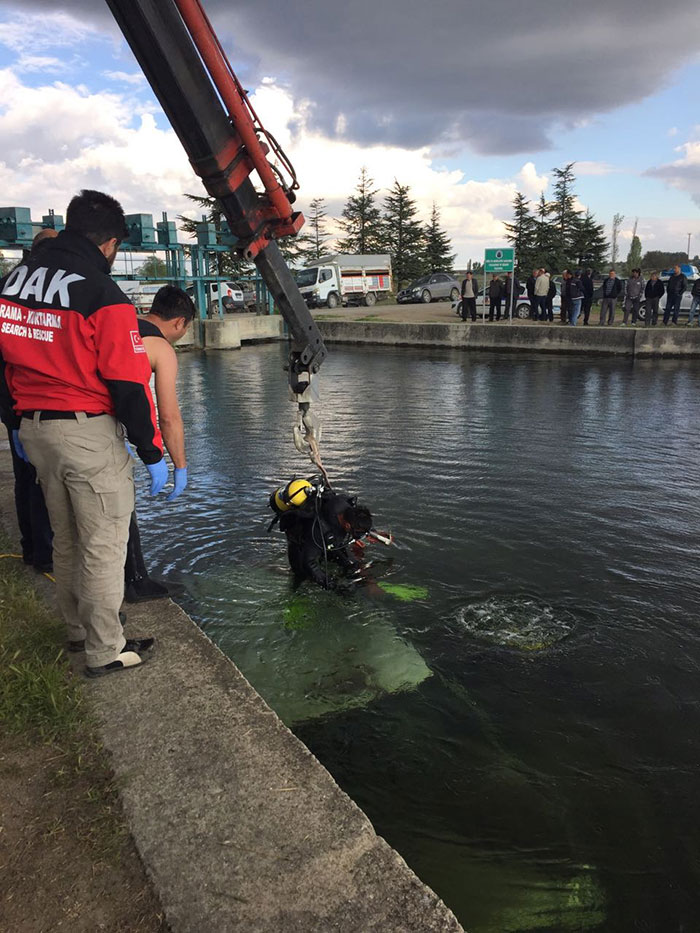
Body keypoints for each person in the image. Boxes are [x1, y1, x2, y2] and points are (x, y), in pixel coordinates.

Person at [0, 189, 169, 678]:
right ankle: (105, 650)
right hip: (85, 433)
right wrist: (150, 449)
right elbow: (128, 384)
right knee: (103, 544)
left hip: (34, 432)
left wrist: (12, 419)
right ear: (111, 242)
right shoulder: (102, 294)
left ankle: (79, 631)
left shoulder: (14, 282)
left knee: (68, 538)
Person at [124, 285, 194, 602]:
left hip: (57, 417)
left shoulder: (121, 324)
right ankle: (135, 582)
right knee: (120, 511)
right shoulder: (161, 346)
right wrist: (178, 465)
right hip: (100, 433)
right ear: (179, 323)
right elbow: (168, 416)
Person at [0, 229, 58, 573]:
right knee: (43, 482)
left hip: (12, 403)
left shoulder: (7, 285)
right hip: (34, 403)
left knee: (26, 480)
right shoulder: (49, 290)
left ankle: (33, 549)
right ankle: (47, 554)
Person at [270, 479, 373, 591]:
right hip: (300, 541)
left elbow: (360, 520)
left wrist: (372, 532)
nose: (360, 535)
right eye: (358, 532)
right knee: (301, 575)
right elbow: (308, 563)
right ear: (347, 525)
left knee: (351, 564)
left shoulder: (346, 506)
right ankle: (295, 592)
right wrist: (332, 585)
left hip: (329, 538)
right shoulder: (320, 530)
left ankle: (364, 583)